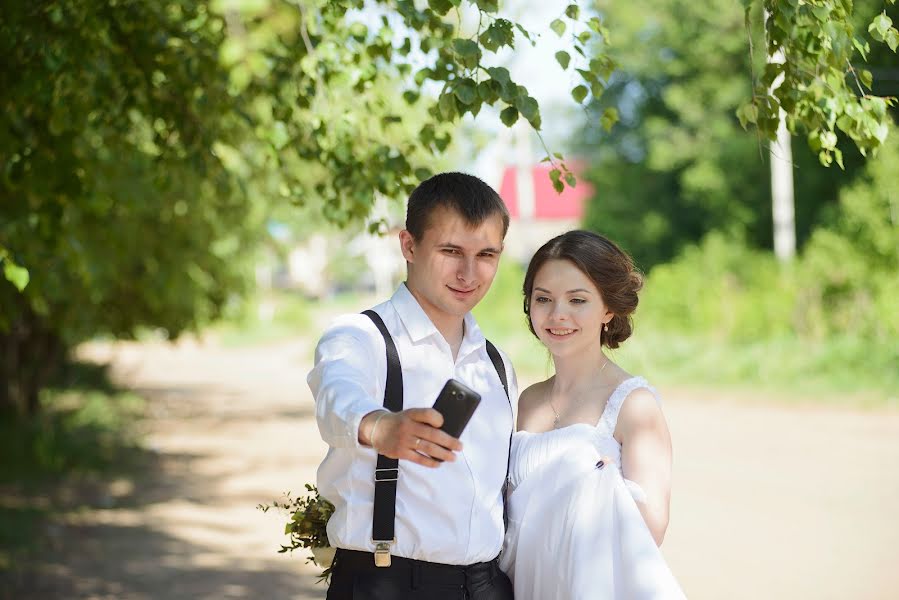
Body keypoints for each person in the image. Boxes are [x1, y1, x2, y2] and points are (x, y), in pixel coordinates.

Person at [308, 172, 517, 600]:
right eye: (451, 251)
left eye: (486, 255)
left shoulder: (498, 364)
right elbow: (336, 399)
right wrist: (378, 427)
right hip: (389, 585)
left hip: (489, 586)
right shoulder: (360, 337)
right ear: (408, 245)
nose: (469, 272)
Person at [500, 230, 686, 599]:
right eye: (543, 299)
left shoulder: (634, 405)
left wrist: (593, 487)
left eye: (577, 300)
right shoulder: (528, 401)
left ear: (608, 308)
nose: (558, 315)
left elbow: (652, 528)